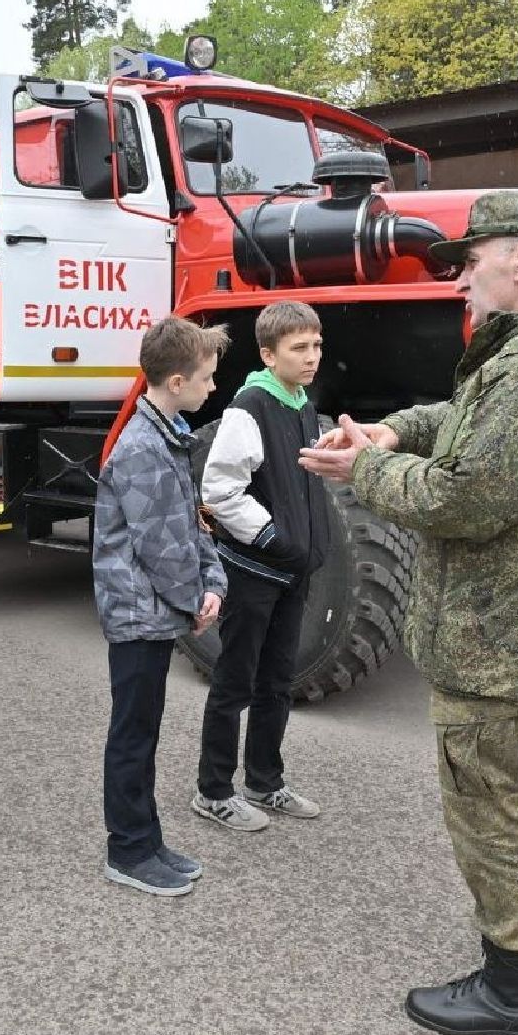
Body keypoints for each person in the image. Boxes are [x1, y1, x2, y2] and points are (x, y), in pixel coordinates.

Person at [299, 191, 518, 1035]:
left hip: (501, 635)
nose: (461, 277)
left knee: (490, 803)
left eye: (472, 259)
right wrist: (392, 433)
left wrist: (363, 478)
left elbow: (471, 494)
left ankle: (509, 992)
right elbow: (467, 427)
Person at [92, 316, 226, 897]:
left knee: (142, 729)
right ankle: (127, 849)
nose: (212, 387)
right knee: (133, 733)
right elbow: (161, 546)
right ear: (175, 381)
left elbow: (189, 526)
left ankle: (146, 839)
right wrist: (196, 598)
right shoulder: (144, 448)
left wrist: (211, 577)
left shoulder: (166, 433)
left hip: (152, 610)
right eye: (206, 378)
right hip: (137, 615)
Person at [191, 300, 330, 832]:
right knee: (235, 682)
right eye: (300, 348)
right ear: (269, 355)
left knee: (277, 681)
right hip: (255, 573)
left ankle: (265, 782)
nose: (312, 357)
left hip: (291, 574)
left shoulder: (300, 403)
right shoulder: (249, 407)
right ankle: (214, 791)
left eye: (317, 346)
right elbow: (221, 489)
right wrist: (274, 538)